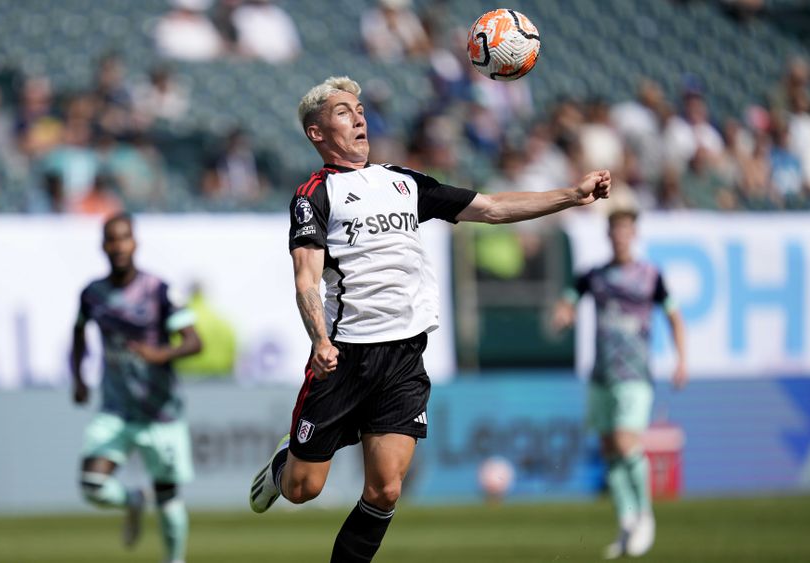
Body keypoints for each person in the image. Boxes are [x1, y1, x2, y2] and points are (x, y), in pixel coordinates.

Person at [248, 75, 612, 562]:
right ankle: (283, 466)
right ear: (316, 133)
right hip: (345, 356)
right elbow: (305, 278)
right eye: (342, 112)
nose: (359, 117)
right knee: (303, 489)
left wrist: (572, 195)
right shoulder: (314, 195)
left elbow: (494, 209)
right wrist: (318, 339)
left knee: (385, 492)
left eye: (359, 109)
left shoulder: (403, 182)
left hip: (404, 355)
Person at [552, 209, 687, 559]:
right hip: (602, 375)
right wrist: (563, 315)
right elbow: (568, 300)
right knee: (610, 448)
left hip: (635, 374)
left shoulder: (650, 277)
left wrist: (681, 360)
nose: (620, 237)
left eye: (626, 231)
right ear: (609, 235)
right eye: (615, 231)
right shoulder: (594, 276)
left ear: (634, 235)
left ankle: (645, 515)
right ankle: (626, 521)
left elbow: (674, 317)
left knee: (628, 444)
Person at [72, 213, 202, 563]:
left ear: (135, 243)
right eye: (112, 240)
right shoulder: (92, 294)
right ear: (103, 246)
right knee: (93, 486)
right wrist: (78, 378)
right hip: (116, 409)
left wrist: (160, 353)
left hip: (161, 411)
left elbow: (193, 342)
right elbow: (78, 334)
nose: (118, 246)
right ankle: (132, 499)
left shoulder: (158, 290)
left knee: (168, 497)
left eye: (124, 238)